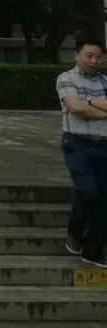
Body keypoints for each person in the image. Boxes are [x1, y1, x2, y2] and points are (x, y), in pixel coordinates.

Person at [56, 35, 107, 265]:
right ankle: (75, 233)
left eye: (98, 56)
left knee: (104, 200)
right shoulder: (66, 78)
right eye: (89, 56)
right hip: (77, 144)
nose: (94, 61)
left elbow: (82, 105)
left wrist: (87, 102)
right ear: (77, 55)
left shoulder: (105, 82)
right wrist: (93, 105)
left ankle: (93, 250)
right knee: (87, 192)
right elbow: (75, 108)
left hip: (104, 145)